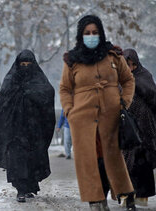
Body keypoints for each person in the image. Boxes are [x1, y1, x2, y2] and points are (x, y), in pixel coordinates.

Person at [59, 15, 136, 211]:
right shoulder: (72, 61)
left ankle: (126, 196)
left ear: (101, 33)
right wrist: (69, 111)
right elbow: (65, 89)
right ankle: (96, 200)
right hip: (82, 121)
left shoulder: (113, 55)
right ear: (81, 35)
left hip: (111, 118)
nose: (91, 36)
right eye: (87, 33)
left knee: (113, 158)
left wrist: (124, 102)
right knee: (90, 162)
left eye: (95, 32)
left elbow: (128, 80)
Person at [0, 50, 55, 203]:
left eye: (28, 64)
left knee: (32, 159)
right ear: (18, 65)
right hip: (15, 130)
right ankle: (21, 189)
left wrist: (31, 94)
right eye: (22, 64)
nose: (25, 67)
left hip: (34, 129)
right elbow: (1, 103)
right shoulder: (11, 81)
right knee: (17, 159)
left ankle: (30, 186)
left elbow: (48, 93)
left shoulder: (38, 81)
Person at [121, 48, 156, 207]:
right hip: (127, 128)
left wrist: (135, 84)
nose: (131, 68)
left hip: (145, 127)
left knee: (142, 162)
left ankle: (142, 196)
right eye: (127, 64)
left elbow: (154, 97)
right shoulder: (120, 79)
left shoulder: (145, 76)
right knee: (126, 162)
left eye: (133, 64)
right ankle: (127, 196)